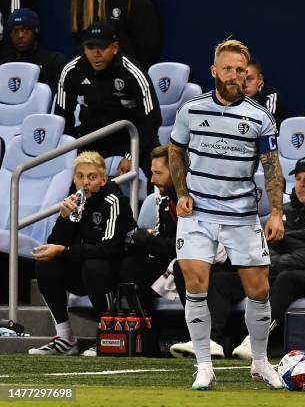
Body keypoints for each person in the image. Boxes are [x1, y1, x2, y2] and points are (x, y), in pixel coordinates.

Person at [168, 39, 285, 390]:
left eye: (240, 70)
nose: (234, 75)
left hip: (242, 214)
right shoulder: (191, 110)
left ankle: (261, 362)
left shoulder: (260, 117)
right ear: (214, 71)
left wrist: (276, 212)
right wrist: (182, 194)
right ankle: (204, 365)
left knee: (259, 289)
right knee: (196, 284)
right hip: (199, 213)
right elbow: (175, 152)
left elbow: (273, 167)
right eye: (228, 68)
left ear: (246, 74)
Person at [170, 156, 305, 361]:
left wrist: (302, 259)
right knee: (221, 280)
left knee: (288, 277)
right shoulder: (283, 212)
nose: (302, 184)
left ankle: (256, 341)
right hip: (274, 269)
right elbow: (265, 245)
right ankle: (210, 341)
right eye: (298, 179)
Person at [28, 151, 136, 357]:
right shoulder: (75, 201)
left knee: (94, 265)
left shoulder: (115, 202)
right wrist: (64, 218)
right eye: (80, 176)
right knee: (46, 263)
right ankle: (65, 338)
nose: (85, 182)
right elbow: (56, 244)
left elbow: (110, 249)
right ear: (74, 178)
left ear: (103, 180)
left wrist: (65, 250)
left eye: (92, 177)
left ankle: (107, 334)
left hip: (116, 272)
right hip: (87, 271)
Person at [55, 22, 162, 178]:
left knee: (159, 168)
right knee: (66, 170)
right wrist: (74, 151)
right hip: (91, 138)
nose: (96, 54)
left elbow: (152, 119)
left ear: (115, 47)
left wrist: (131, 155)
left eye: (102, 47)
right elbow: (62, 117)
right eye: (90, 48)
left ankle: (158, 202)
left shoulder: (132, 71)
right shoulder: (72, 71)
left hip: (130, 137)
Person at [119, 145, 178, 312]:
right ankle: (143, 332)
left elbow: (184, 246)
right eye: (152, 172)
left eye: (158, 173)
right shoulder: (165, 198)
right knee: (130, 265)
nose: (152, 179)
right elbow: (164, 239)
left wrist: (148, 240)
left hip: (196, 267)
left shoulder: (193, 200)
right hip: (171, 261)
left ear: (177, 172)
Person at [70, 0, 161, 69]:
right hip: (91, 82)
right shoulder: (82, 3)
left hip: (125, 82)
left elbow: (147, 50)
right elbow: (81, 46)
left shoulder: (136, 3)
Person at [0, 8, 68, 93]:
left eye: (25, 30)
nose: (20, 35)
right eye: (15, 31)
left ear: (35, 31)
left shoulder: (54, 62)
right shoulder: (4, 66)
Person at [244, 58, 290, 127]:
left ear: (260, 79)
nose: (245, 85)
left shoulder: (271, 99)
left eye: (250, 79)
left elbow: (269, 129)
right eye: (241, 79)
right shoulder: (233, 98)